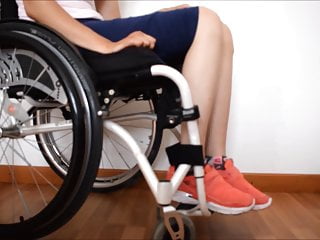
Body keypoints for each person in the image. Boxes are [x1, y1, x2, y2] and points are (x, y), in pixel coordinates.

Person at [18, 0, 271, 215]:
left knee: (219, 31)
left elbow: (107, 12)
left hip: (90, 30)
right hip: (53, 36)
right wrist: (106, 45)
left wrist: (138, 28)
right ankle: (190, 169)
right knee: (204, 20)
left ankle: (216, 163)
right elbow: (37, 5)